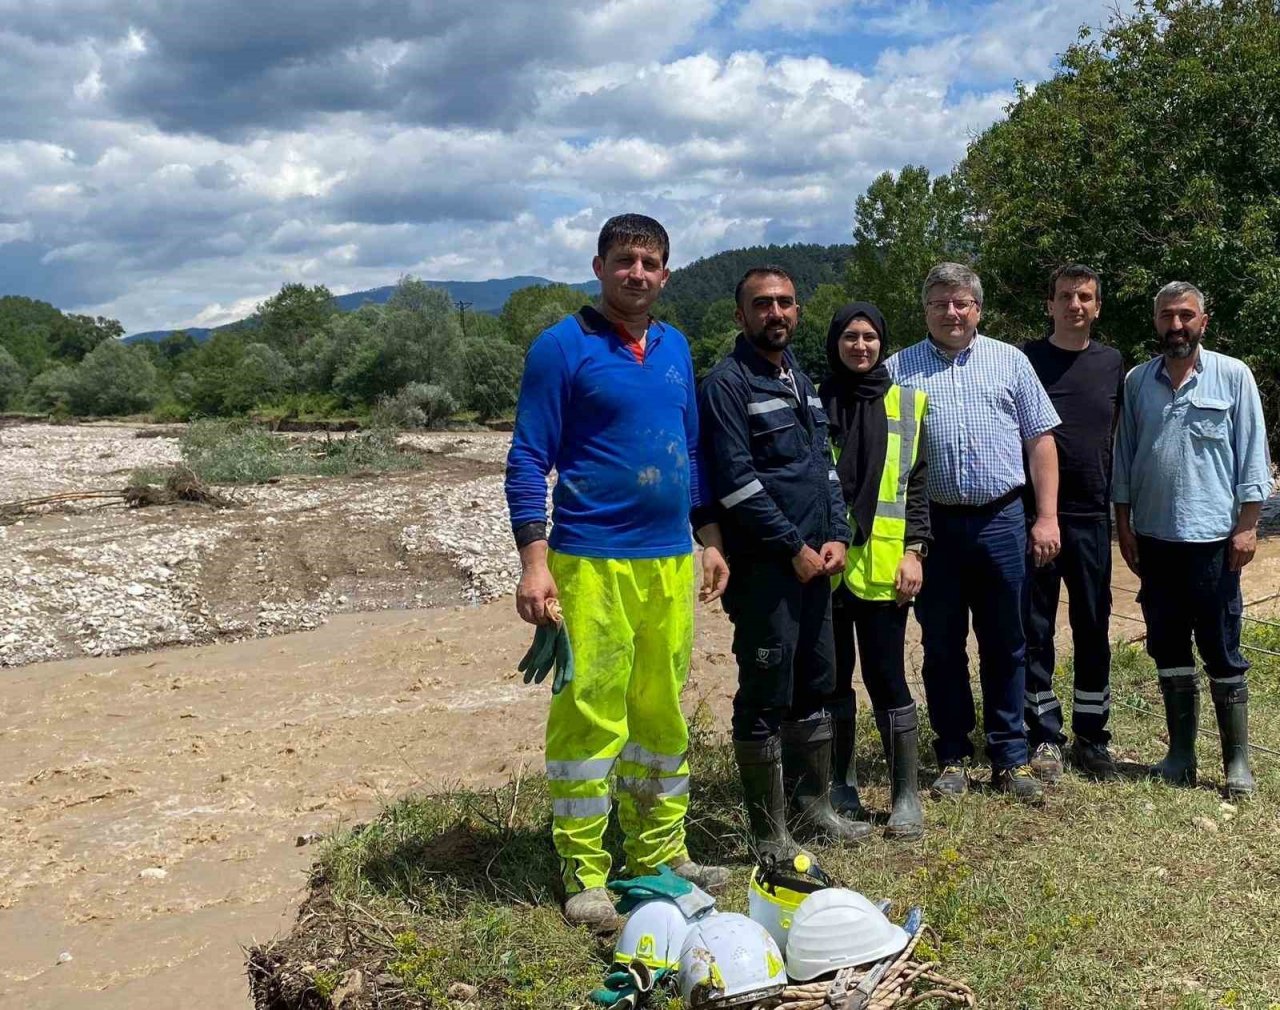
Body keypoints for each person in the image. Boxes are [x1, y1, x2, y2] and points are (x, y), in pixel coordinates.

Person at [504, 213, 731, 931]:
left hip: (667, 561)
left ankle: (660, 857)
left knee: (660, 710)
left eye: (651, 262)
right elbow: (527, 460)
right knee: (590, 714)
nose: (638, 273)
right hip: (590, 561)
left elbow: (690, 455)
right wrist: (534, 564)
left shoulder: (673, 347)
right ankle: (585, 872)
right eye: (625, 260)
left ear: (666, 274)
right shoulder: (561, 347)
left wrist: (709, 537)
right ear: (598, 267)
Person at [698, 266, 872, 861]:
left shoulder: (798, 376)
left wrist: (836, 538)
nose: (777, 313)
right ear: (740, 315)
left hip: (816, 567)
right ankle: (770, 833)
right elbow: (737, 484)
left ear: (798, 312)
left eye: (786, 303)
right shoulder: (726, 384)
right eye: (763, 304)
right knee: (765, 691)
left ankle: (815, 809)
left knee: (816, 683)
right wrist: (791, 548)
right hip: (766, 571)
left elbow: (822, 468)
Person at [884, 262, 1062, 805]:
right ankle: (955, 754)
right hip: (931, 526)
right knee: (941, 645)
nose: (952, 312)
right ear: (925, 310)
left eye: (961, 302)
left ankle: (1010, 755)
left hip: (1003, 519)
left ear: (977, 308)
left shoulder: (1011, 362)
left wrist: (1046, 516)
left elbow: (1040, 443)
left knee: (1008, 641)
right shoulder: (897, 369)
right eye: (940, 302)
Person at [1112, 281, 1271, 798]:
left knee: (1222, 648)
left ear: (1204, 320)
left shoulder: (1233, 376)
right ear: (1155, 321)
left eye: (1185, 316)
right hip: (1155, 540)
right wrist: (1123, 523)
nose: (1175, 326)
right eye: (1166, 316)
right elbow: (1124, 458)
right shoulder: (1138, 381)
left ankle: (1236, 763)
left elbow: (1252, 457)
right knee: (1168, 646)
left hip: (1215, 542)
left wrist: (1248, 525)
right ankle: (1180, 755)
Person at [819, 302, 929, 840]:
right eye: (850, 337)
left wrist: (916, 551)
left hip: (886, 569)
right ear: (835, 341)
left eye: (869, 337)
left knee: (887, 678)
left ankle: (905, 795)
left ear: (882, 342)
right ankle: (842, 785)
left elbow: (919, 486)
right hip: (828, 570)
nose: (860, 346)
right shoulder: (815, 402)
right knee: (835, 681)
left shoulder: (906, 403)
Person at [1020, 265, 1125, 782]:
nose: (1075, 305)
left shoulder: (1112, 364)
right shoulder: (1025, 361)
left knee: (1092, 625)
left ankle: (1092, 735)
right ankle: (1042, 735)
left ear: (1097, 306)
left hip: (1089, 518)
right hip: (1034, 517)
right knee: (1034, 628)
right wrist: (1041, 515)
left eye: (1085, 297)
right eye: (1065, 296)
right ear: (1050, 305)